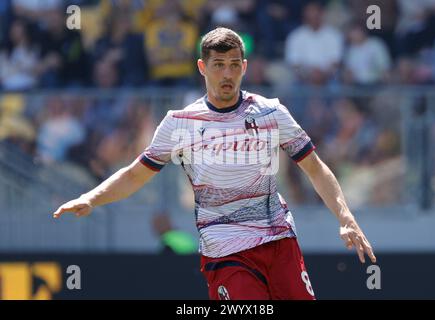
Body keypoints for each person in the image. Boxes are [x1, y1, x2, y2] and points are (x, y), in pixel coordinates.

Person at [52, 27, 376, 300]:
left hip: (278, 240)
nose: (227, 74)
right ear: (202, 67)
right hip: (224, 251)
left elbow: (316, 168)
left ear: (244, 67)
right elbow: (135, 175)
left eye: (234, 65)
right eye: (219, 65)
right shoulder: (179, 123)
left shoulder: (271, 113)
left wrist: (346, 218)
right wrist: (92, 197)